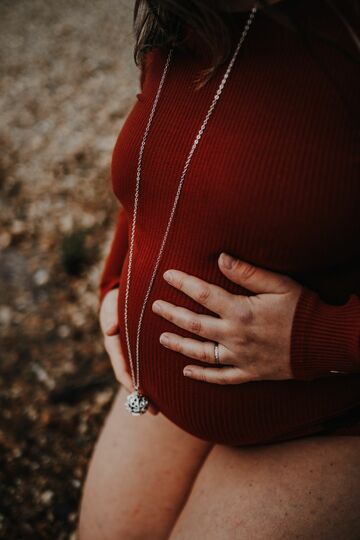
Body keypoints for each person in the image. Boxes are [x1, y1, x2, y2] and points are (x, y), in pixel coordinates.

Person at [78, 0, 360, 537]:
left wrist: (321, 337)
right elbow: (161, 164)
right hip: (167, 392)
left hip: (330, 407)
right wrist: (119, 280)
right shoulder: (190, 13)